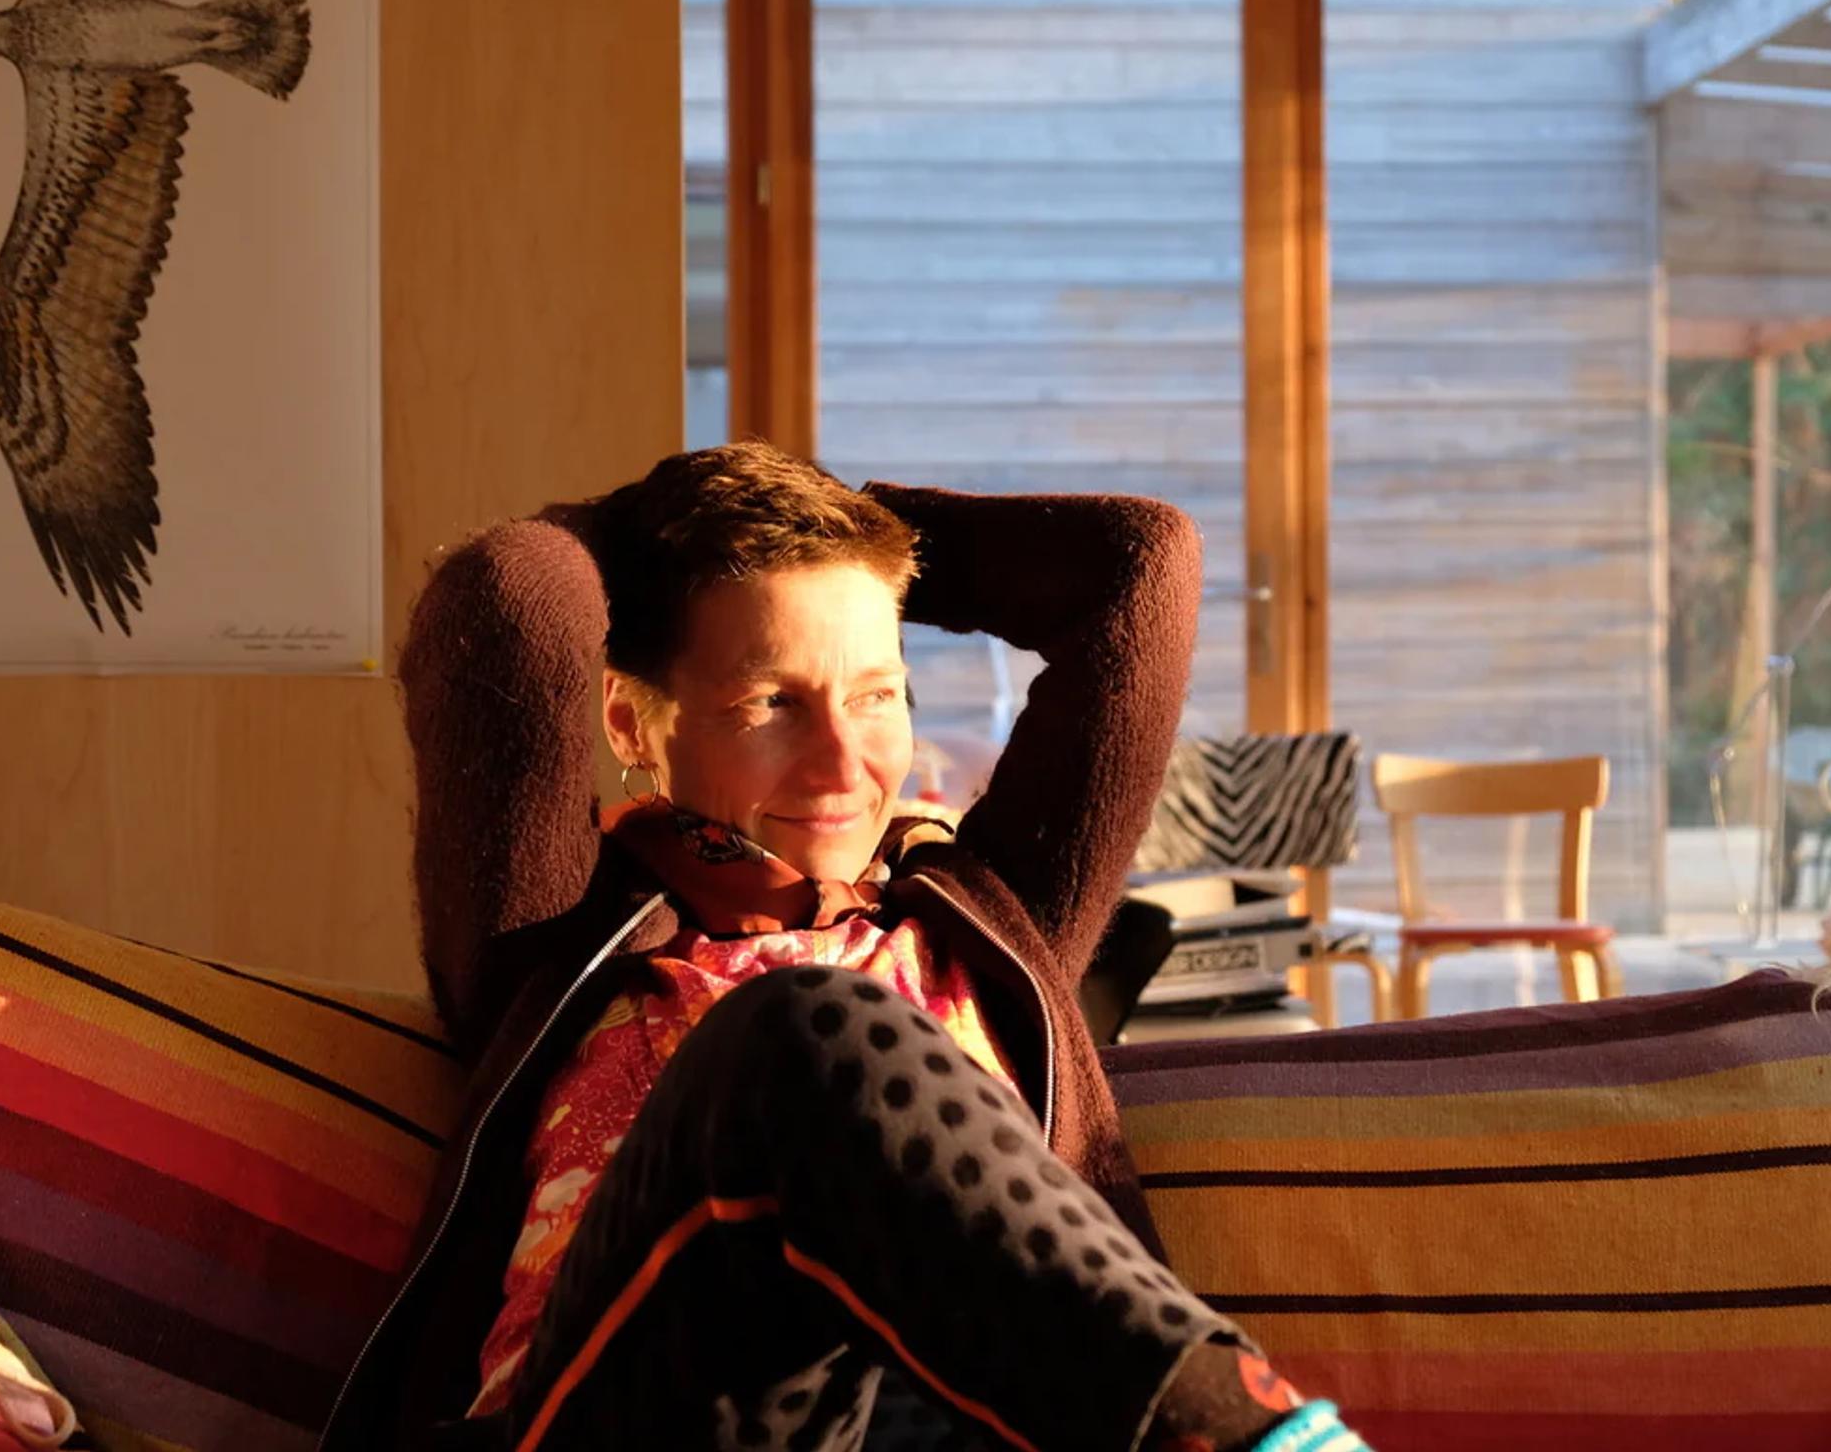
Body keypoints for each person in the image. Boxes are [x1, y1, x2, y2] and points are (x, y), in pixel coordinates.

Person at [321, 444, 1373, 1452]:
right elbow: (510, 593)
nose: (840, 763)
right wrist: (683, 532)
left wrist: (852, 536)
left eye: (876, 693)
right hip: (641, 1417)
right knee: (800, 1033)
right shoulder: (550, 934)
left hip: (965, 1431)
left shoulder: (992, 915)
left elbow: (1137, 568)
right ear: (633, 725)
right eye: (769, 702)